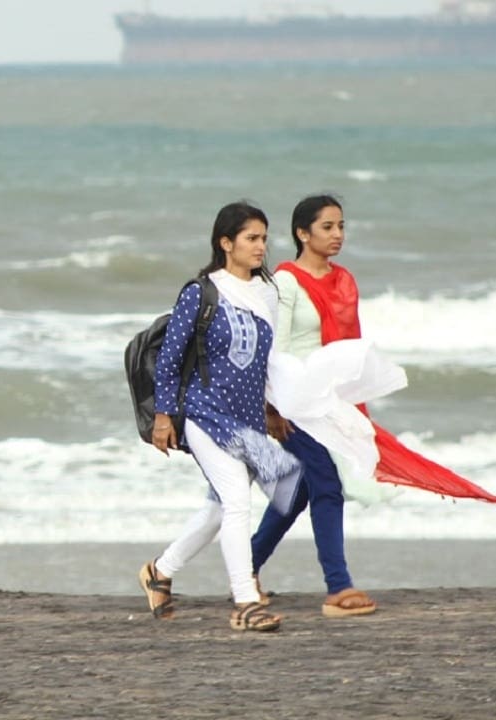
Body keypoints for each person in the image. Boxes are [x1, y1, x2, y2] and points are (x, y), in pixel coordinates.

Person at [251, 194, 496, 616]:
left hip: (330, 400)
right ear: (302, 233)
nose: (337, 234)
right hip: (292, 402)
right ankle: (338, 587)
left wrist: (352, 405)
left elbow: (349, 348)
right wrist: (270, 410)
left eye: (341, 226)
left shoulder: (344, 280)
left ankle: (245, 567)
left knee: (300, 492)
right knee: (327, 483)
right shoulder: (286, 282)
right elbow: (273, 350)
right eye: (327, 227)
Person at [137, 201, 301, 633]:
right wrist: (164, 418)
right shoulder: (201, 291)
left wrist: (271, 411)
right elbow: (170, 360)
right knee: (237, 502)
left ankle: (160, 571)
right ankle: (246, 601)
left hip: (247, 421)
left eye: (264, 238)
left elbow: (265, 362)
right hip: (204, 413)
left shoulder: (267, 293)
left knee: (219, 509)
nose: (260, 246)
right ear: (226, 243)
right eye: (251, 238)